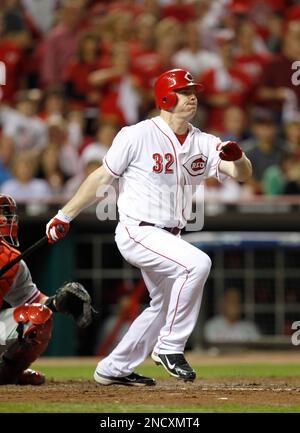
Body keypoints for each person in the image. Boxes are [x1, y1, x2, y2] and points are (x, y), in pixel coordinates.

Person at [46, 68, 252, 386]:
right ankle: (169, 348)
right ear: (166, 97)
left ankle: (113, 368)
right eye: (184, 91)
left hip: (169, 235)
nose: (192, 96)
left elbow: (242, 174)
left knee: (164, 304)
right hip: (138, 230)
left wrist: (237, 158)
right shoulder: (137, 134)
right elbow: (102, 177)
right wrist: (65, 214)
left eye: (193, 90)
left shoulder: (204, 141)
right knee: (198, 263)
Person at [0, 194, 94, 385]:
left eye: (5, 214)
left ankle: (8, 373)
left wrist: (59, 301)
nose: (5, 219)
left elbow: (32, 301)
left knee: (38, 316)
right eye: (0, 214)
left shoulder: (11, 260)